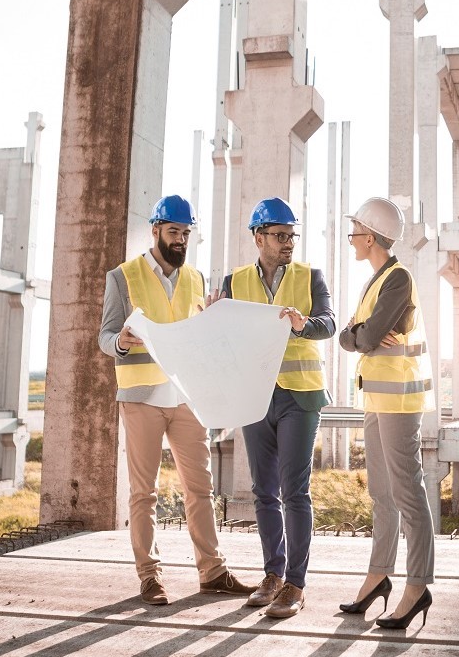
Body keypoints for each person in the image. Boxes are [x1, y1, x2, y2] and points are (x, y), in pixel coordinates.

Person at [99, 194, 257, 605]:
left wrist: (214, 317)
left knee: (200, 487)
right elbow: (105, 335)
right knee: (143, 492)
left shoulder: (197, 279)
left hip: (187, 396)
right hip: (142, 398)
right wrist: (119, 341)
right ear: (155, 231)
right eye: (174, 232)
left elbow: (199, 337)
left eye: (186, 233)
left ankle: (213, 572)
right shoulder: (123, 277)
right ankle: (149, 577)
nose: (181, 241)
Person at [216, 197, 335, 618]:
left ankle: (296, 585)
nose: (288, 243)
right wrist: (210, 318)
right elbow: (223, 339)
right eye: (280, 235)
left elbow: (330, 323)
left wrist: (305, 325)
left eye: (292, 235)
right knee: (263, 492)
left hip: (299, 396)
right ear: (258, 237)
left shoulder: (310, 277)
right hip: (255, 396)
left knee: (294, 491)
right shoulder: (234, 282)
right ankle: (273, 575)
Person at [337, 197, 435, 629]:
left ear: (371, 237)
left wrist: (363, 334)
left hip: (398, 401)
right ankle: (379, 576)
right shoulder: (376, 280)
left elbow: (369, 332)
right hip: (376, 399)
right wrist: (363, 335)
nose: (351, 238)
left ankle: (417, 585)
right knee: (381, 492)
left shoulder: (398, 281)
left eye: (354, 230)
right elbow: (350, 335)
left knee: (407, 492)